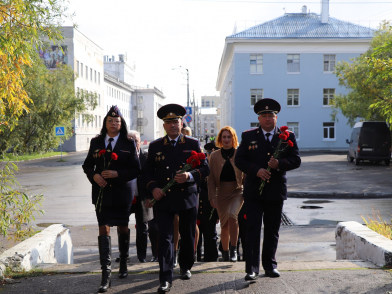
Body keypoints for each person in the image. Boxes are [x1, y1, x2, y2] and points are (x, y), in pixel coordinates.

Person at [142, 104, 209, 293]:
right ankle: (165, 276)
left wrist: (190, 176)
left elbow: (206, 169)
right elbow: (146, 172)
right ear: (164, 125)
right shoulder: (155, 146)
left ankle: (186, 266)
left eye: (176, 122)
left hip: (187, 198)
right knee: (165, 238)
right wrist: (153, 189)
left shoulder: (192, 144)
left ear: (182, 123)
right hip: (164, 199)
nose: (173, 125)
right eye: (169, 122)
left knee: (188, 235)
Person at [235, 98, 301, 281]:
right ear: (259, 118)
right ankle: (252, 268)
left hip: (275, 191)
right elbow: (239, 160)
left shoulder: (288, 136)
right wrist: (256, 171)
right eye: (264, 116)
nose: (267, 119)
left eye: (271, 116)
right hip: (254, 192)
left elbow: (296, 160)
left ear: (276, 118)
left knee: (272, 230)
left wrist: (279, 164)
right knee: (252, 229)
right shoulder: (248, 136)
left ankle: (270, 265)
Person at [82, 106, 141, 293]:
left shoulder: (128, 143)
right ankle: (105, 274)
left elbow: (136, 169)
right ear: (105, 123)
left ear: (121, 124)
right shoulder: (96, 142)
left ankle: (123, 262)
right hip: (101, 194)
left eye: (117, 121)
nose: (114, 123)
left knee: (123, 227)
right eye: (110, 120)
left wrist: (118, 173)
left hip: (123, 193)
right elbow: (87, 165)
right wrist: (94, 176)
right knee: (103, 228)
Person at [114, 131, 154, 264]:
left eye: (135, 141)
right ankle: (123, 253)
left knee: (143, 228)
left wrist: (150, 197)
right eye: (129, 140)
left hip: (142, 198)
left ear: (140, 142)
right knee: (122, 226)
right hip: (125, 198)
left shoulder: (146, 158)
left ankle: (141, 256)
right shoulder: (121, 157)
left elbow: (151, 179)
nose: (132, 143)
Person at [208, 126, 244, 262]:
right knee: (224, 225)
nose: (227, 139)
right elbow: (210, 179)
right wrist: (212, 197)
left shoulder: (239, 153)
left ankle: (234, 249)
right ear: (220, 139)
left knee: (232, 215)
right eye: (224, 137)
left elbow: (245, 173)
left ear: (233, 138)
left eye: (229, 137)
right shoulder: (215, 156)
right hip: (221, 192)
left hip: (237, 191)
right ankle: (225, 252)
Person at [196, 142, 219, 262]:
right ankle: (196, 257)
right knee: (196, 236)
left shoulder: (217, 167)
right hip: (199, 205)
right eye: (209, 153)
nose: (210, 156)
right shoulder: (202, 166)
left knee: (210, 235)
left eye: (212, 153)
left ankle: (211, 259)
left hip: (211, 206)